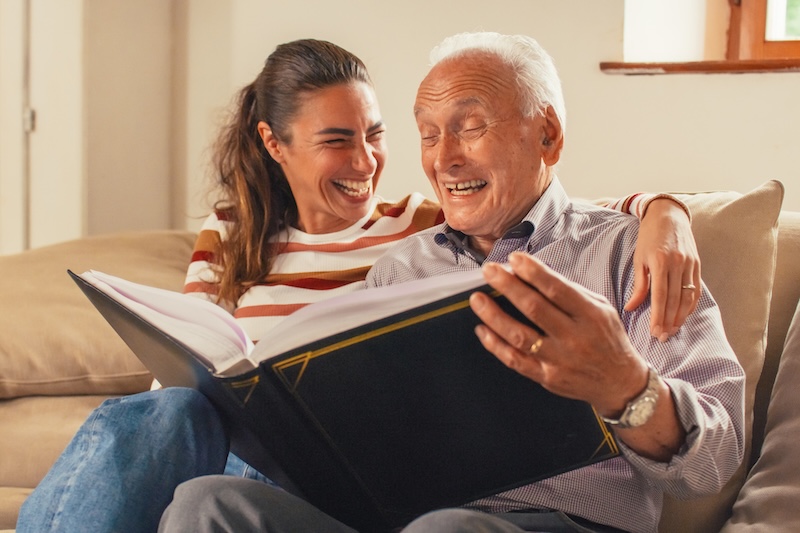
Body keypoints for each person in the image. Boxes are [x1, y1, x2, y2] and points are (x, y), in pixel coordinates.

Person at [18, 38, 700, 533]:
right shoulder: (230, 232)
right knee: (167, 416)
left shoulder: (422, 223)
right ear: (274, 143)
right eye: (337, 141)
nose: (367, 160)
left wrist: (664, 209)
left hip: (336, 468)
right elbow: (186, 362)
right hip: (241, 447)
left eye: (374, 135)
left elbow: (543, 205)